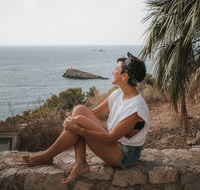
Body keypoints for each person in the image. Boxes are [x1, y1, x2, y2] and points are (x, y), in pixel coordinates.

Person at [22, 52, 149, 185]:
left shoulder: (135, 108)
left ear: (124, 76)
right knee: (79, 109)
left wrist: (77, 128)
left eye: (116, 69)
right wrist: (72, 118)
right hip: (115, 144)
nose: (113, 71)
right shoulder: (118, 94)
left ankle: (47, 156)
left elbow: (110, 138)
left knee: (79, 121)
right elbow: (92, 112)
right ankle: (81, 163)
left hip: (125, 155)